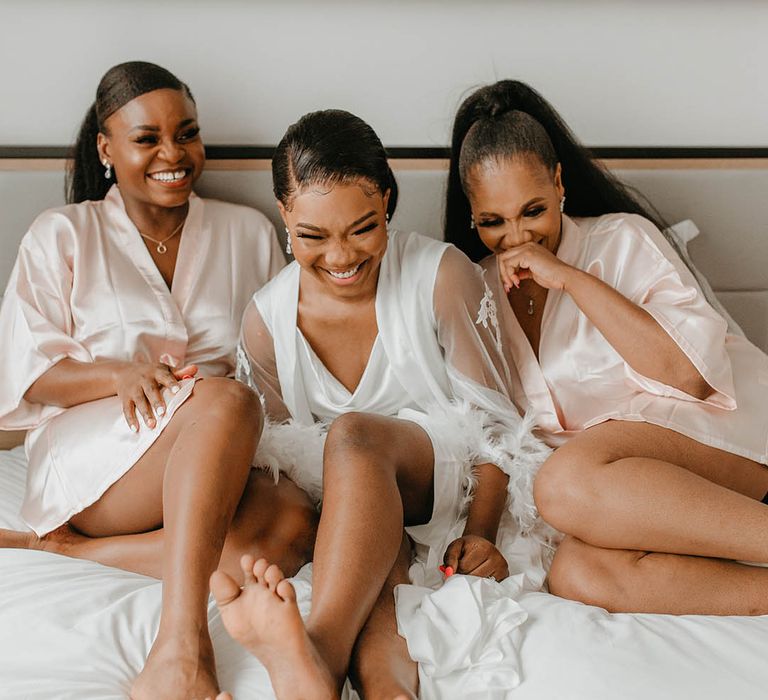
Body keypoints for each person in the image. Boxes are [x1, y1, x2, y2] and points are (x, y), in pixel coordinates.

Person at [206, 109, 550, 700]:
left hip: (444, 480)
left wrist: (483, 532)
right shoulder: (266, 319)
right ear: (285, 215)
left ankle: (319, 650)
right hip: (353, 508)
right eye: (313, 236)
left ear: (387, 202)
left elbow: (498, 426)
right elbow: (281, 460)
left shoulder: (440, 275)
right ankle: (386, 687)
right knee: (373, 552)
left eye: (362, 228)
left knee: (354, 436)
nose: (341, 257)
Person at [0, 61, 317, 700]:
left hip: (217, 446)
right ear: (106, 148)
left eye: (187, 134)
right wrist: (119, 374)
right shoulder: (64, 233)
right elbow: (30, 374)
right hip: (98, 459)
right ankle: (180, 646)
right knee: (226, 400)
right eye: (147, 139)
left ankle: (66, 553)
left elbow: (279, 364)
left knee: (290, 525)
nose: (172, 154)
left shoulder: (247, 233)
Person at [444, 79, 768, 616]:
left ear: (559, 182)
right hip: (619, 497)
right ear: (472, 215)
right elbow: (489, 427)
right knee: (576, 573)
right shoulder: (473, 288)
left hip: (721, 440)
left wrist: (567, 278)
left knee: (564, 481)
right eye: (492, 222)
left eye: (533, 210)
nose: (516, 237)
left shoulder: (621, 239)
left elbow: (690, 376)